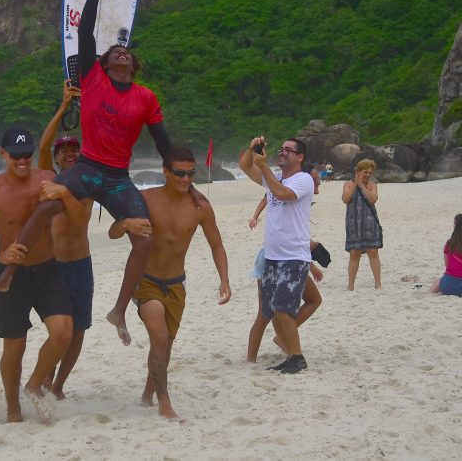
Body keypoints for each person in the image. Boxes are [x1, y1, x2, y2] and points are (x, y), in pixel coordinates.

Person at [0, 0, 178, 349]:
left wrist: (179, 174)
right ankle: (7, 274)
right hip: (87, 168)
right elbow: (83, 33)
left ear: (134, 65)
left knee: (144, 236)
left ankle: (120, 309)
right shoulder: (92, 80)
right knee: (44, 204)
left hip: (118, 177)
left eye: (127, 52)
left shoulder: (146, 97)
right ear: (103, 64)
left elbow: (163, 141)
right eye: (115, 52)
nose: (122, 53)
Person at [0, 127, 77, 423]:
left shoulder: (48, 180)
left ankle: (35, 384)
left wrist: (64, 194)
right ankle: (13, 409)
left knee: (63, 332)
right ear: (3, 154)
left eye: (27, 155)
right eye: (16, 155)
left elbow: (76, 214)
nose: (23, 161)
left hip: (49, 269)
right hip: (11, 275)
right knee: (15, 345)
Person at [109, 145, 231, 420]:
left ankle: (147, 395)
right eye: (179, 173)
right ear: (165, 172)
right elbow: (113, 232)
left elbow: (217, 245)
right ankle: (165, 403)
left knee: (165, 346)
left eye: (191, 174)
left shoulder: (200, 207)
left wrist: (224, 279)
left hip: (177, 284)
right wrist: (127, 222)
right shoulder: (145, 199)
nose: (186, 180)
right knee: (160, 338)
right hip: (147, 282)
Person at [35, 81, 94, 399]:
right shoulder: (48, 178)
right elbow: (42, 148)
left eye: (75, 149)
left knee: (79, 330)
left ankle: (57, 385)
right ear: (57, 158)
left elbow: (80, 219)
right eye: (65, 151)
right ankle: (44, 378)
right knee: (61, 331)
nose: (70, 153)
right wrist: (63, 106)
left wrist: (86, 107)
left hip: (80, 264)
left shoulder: (86, 179)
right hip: (53, 266)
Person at [238, 136, 314, 374]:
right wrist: (252, 150)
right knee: (270, 310)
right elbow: (244, 166)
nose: (282, 153)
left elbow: (282, 194)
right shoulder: (276, 178)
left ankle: (297, 357)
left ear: (300, 157)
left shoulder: (304, 180)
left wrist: (263, 167)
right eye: (280, 149)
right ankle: (290, 354)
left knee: (282, 308)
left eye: (288, 150)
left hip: (293, 256)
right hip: (272, 256)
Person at [246, 163, 324, 363]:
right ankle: (252, 359)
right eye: (315, 179)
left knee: (313, 300)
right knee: (265, 314)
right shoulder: (287, 189)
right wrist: (255, 216)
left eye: (318, 180)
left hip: (293, 258)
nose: (317, 183)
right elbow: (285, 228)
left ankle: (282, 338)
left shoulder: (300, 195)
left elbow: (292, 230)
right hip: (274, 258)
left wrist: (311, 265)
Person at [343, 158, 382, 290]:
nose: (368, 175)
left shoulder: (372, 186)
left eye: (370, 173)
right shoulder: (348, 184)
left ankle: (378, 283)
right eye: (365, 172)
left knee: (373, 252)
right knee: (354, 253)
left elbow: (372, 199)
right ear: (358, 172)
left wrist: (362, 186)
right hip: (353, 223)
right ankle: (351, 284)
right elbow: (346, 199)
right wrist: (355, 184)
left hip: (370, 223)